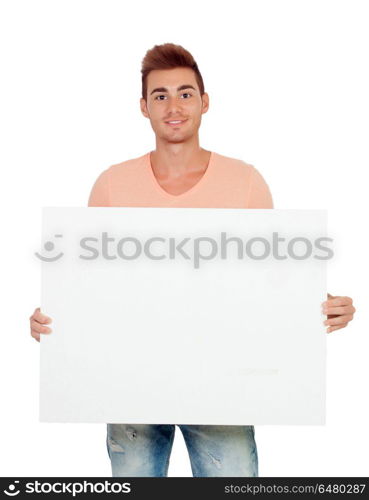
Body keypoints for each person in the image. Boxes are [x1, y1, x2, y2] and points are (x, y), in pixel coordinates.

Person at [29, 43, 356, 477]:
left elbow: (272, 281)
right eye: (160, 95)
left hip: (223, 384)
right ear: (144, 107)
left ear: (204, 102)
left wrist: (323, 305)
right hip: (130, 384)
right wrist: (54, 321)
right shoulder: (111, 185)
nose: (174, 106)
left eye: (185, 93)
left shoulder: (246, 182)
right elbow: (90, 285)